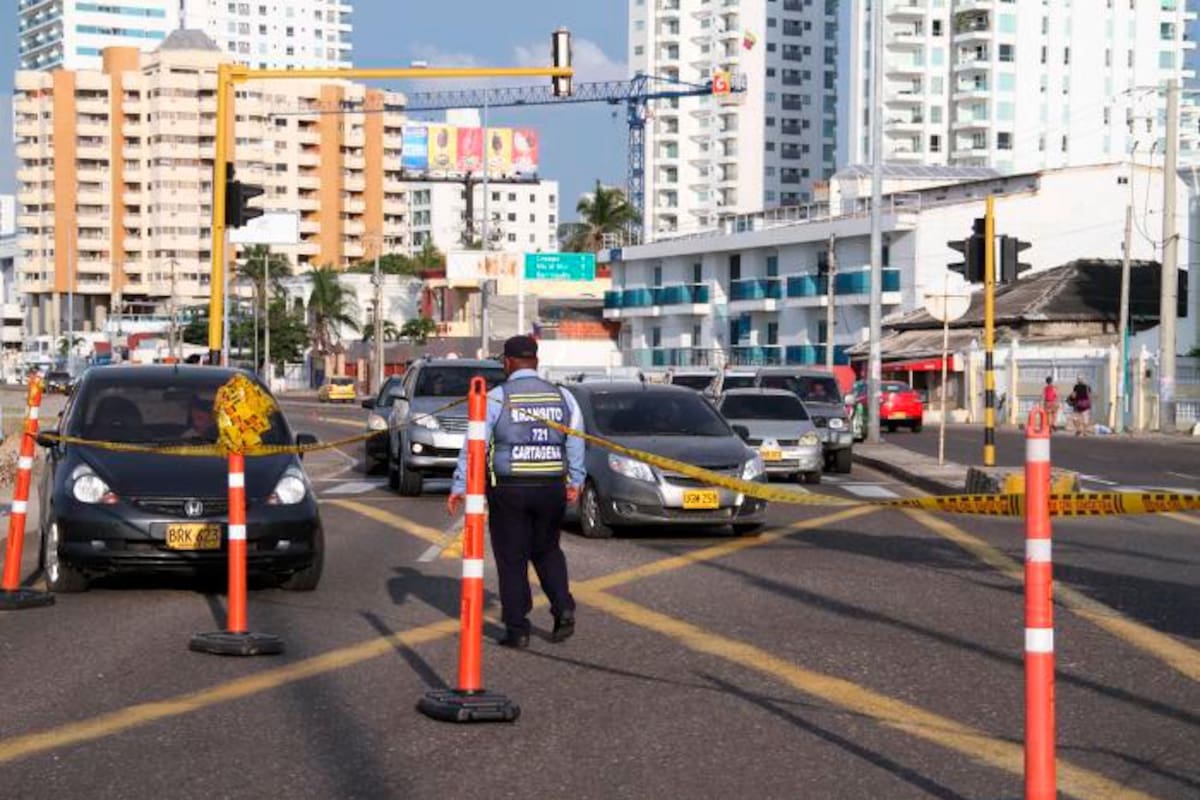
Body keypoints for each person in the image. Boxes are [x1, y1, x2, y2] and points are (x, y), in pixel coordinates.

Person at [447, 335, 586, 649]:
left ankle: (517, 629)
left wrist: (460, 485)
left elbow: (474, 444)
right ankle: (563, 606)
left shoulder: (496, 396)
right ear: (536, 361)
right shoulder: (563, 396)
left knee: (512, 559)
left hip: (509, 489)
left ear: (507, 363)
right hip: (551, 486)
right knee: (548, 550)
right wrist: (575, 480)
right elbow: (576, 440)